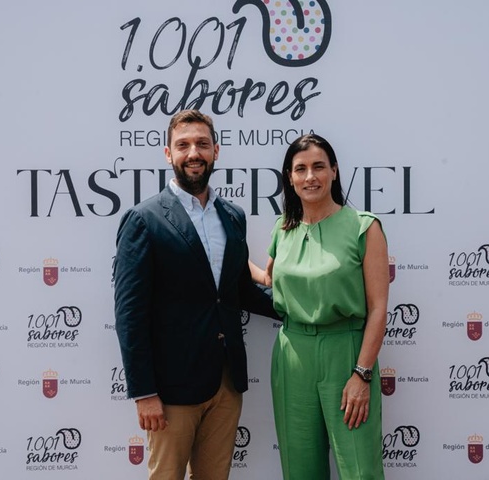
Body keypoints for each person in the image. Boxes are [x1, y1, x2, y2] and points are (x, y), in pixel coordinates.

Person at [114, 109, 278, 480]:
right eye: (183, 145)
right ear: (168, 154)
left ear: (216, 151)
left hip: (226, 382)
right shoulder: (144, 219)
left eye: (202, 144)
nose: (194, 153)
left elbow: (237, 292)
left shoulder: (232, 216)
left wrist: (303, 309)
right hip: (170, 388)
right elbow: (129, 314)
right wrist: (144, 393)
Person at [251, 133, 388, 479]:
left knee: (360, 470)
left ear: (334, 172)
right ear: (290, 178)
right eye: (300, 169)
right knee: (300, 470)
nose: (309, 176)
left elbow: (378, 308)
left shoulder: (364, 227)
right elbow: (271, 280)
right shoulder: (283, 229)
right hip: (292, 355)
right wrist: (226, 256)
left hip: (347, 354)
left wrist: (362, 373)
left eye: (318, 167)